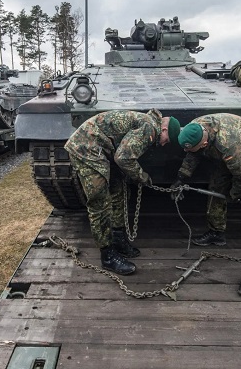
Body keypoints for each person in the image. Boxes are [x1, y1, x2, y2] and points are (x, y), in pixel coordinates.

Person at [64, 109, 180, 275]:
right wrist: (142, 176)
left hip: (104, 149)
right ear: (163, 130)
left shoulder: (148, 123)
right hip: (87, 148)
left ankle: (118, 238)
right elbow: (123, 158)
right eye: (166, 140)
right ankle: (108, 256)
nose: (163, 144)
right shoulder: (149, 128)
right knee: (100, 203)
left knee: (119, 192)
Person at [172, 114, 241, 298]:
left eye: (197, 149)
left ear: (204, 144)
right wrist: (181, 178)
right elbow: (192, 155)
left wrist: (233, 195)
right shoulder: (194, 129)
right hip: (232, 153)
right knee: (216, 186)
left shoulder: (229, 145)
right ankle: (216, 232)